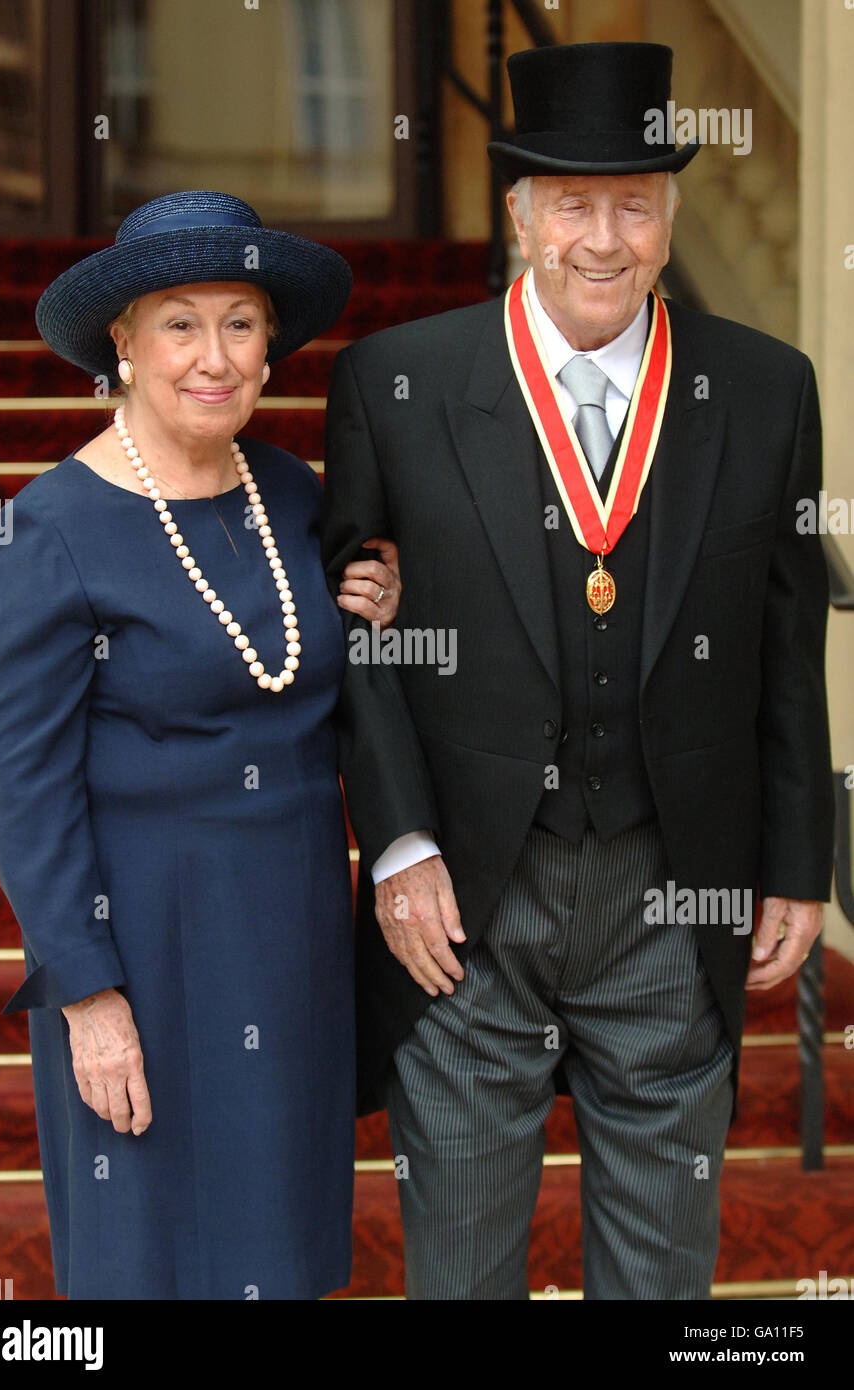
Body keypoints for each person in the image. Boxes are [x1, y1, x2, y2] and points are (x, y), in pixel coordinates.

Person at [321, 43, 834, 1300]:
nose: (601, 239)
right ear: (518, 215)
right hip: (464, 902)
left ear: (671, 217)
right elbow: (358, 638)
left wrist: (794, 861)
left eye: (633, 204)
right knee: (459, 1274)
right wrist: (396, 847)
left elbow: (784, 645)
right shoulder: (394, 382)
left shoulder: (764, 388)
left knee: (663, 1282)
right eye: (570, 203)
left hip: (673, 892)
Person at [0, 189, 401, 1300]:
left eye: (240, 323)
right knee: (150, 1259)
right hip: (144, 954)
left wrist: (377, 607)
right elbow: (23, 789)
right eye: (180, 323)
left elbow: (312, 678)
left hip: (294, 939)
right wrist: (88, 998)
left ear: (270, 346)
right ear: (122, 344)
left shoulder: (295, 496)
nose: (215, 357)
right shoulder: (46, 532)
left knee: (281, 1251)